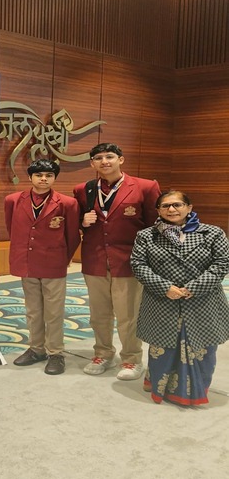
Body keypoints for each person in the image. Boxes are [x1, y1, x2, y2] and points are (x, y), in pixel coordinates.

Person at [131, 191, 229, 406]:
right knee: (163, 346)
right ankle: (159, 388)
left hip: (203, 301)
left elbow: (222, 263)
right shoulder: (146, 235)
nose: (171, 209)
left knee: (202, 347)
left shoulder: (212, 233)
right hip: (162, 301)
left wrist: (194, 287)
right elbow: (138, 264)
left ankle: (193, 392)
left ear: (189, 207)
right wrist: (165, 287)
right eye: (165, 206)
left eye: (177, 204)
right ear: (158, 210)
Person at [74, 143, 161, 379]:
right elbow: (76, 221)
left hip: (128, 262)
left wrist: (151, 261)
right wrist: (83, 221)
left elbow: (155, 226)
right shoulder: (83, 189)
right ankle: (103, 354)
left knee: (127, 315)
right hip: (95, 260)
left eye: (110, 156)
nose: (105, 161)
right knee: (98, 314)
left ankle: (132, 359)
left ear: (120, 160)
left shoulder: (145, 187)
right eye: (98, 158)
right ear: (92, 163)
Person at [5, 160, 81, 375]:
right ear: (30, 177)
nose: (44, 179)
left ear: (55, 178)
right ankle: (36, 349)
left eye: (49, 175)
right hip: (27, 262)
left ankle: (56, 352)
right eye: (39, 175)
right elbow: (12, 229)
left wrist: (63, 258)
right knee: (33, 310)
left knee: (54, 312)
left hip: (54, 263)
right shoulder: (13, 200)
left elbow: (72, 235)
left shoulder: (67, 203)